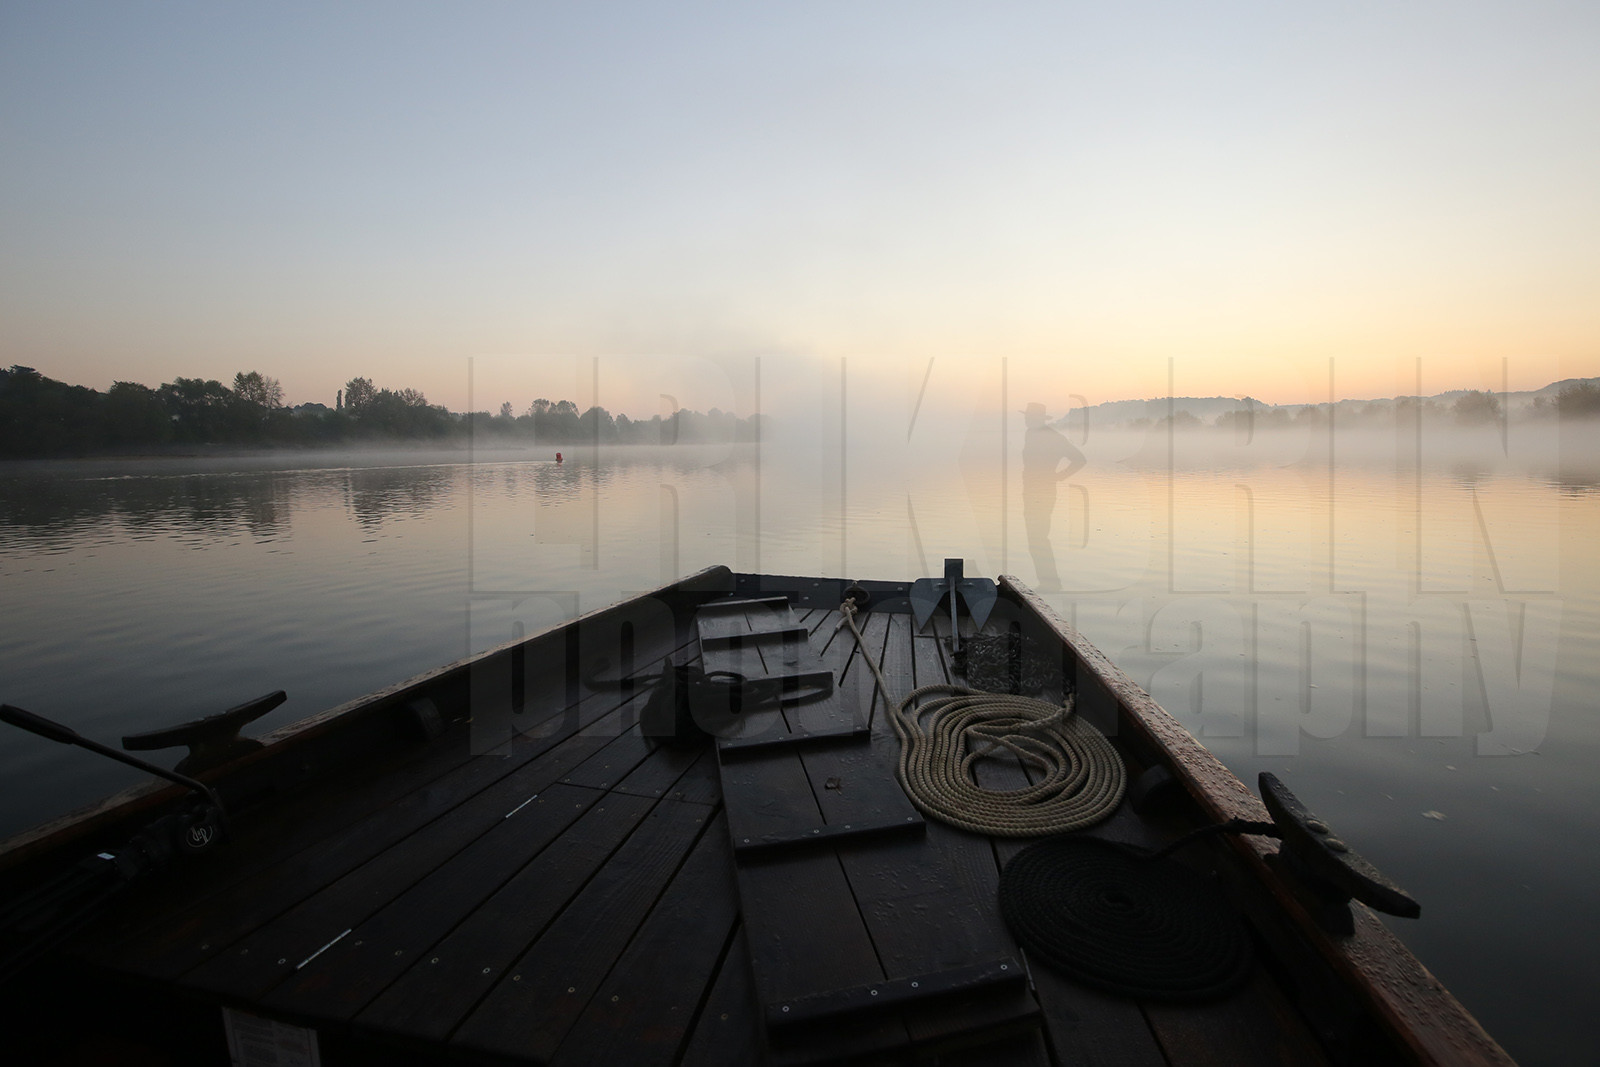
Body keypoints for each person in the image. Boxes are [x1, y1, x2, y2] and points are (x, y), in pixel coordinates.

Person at [1020, 402, 1085, 592]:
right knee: (1035, 539)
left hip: (1043, 492)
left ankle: (1050, 583)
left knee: (1038, 537)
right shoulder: (1030, 434)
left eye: (1029, 417)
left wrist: (1058, 477)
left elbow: (1079, 459)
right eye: (1026, 416)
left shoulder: (1053, 437)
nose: (1026, 420)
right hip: (1031, 492)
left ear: (1038, 419)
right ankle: (1047, 581)